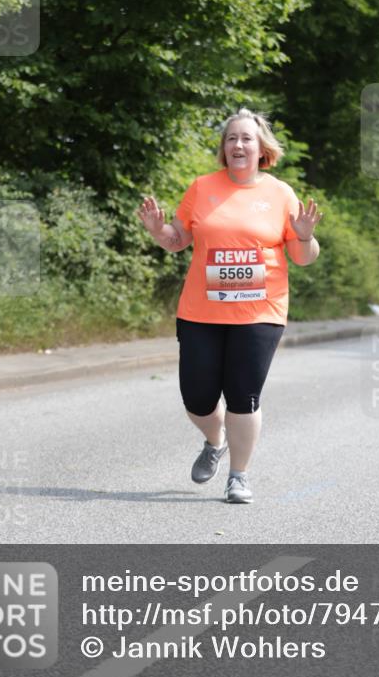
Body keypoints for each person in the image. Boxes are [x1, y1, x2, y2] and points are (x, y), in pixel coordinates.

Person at [137, 108, 322, 504]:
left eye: (246, 139)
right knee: (197, 398)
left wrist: (304, 236)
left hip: (260, 312)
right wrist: (157, 230)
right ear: (224, 148)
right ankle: (215, 439)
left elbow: (302, 257)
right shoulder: (202, 188)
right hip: (201, 311)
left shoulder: (280, 194)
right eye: (231, 139)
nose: (238, 144)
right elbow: (178, 239)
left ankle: (239, 476)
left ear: (261, 149)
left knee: (244, 396)